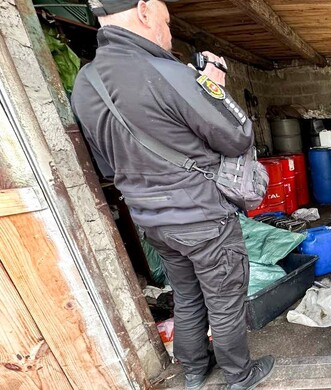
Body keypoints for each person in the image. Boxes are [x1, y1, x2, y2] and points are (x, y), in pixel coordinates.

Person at [71, 1, 273, 389]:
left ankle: (194, 372)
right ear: (144, 12)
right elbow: (238, 135)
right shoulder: (169, 73)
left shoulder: (86, 82)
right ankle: (239, 375)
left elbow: (106, 166)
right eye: (166, 22)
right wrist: (213, 84)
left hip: (152, 221)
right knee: (225, 299)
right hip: (202, 217)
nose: (168, 34)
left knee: (186, 294)